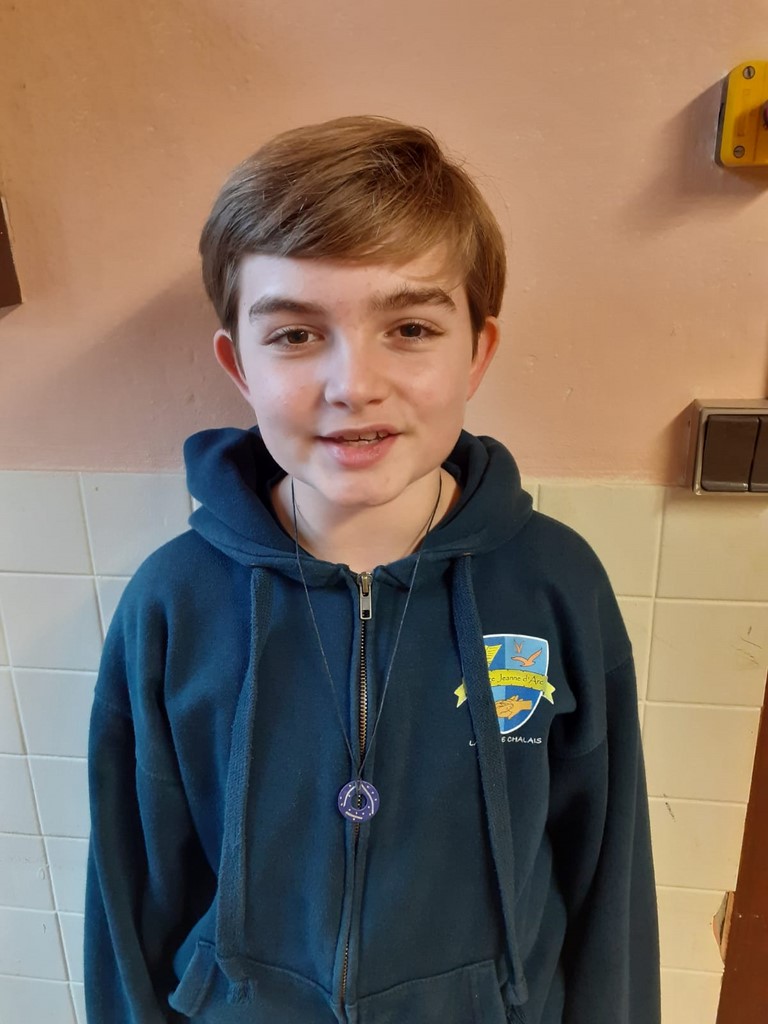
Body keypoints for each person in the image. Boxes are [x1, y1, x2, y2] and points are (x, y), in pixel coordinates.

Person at [84, 115, 660, 1024]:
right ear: (238, 364)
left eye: (411, 327)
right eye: (295, 335)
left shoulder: (557, 585)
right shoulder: (171, 604)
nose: (355, 384)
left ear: (478, 351)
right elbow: (128, 897)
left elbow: (608, 880)